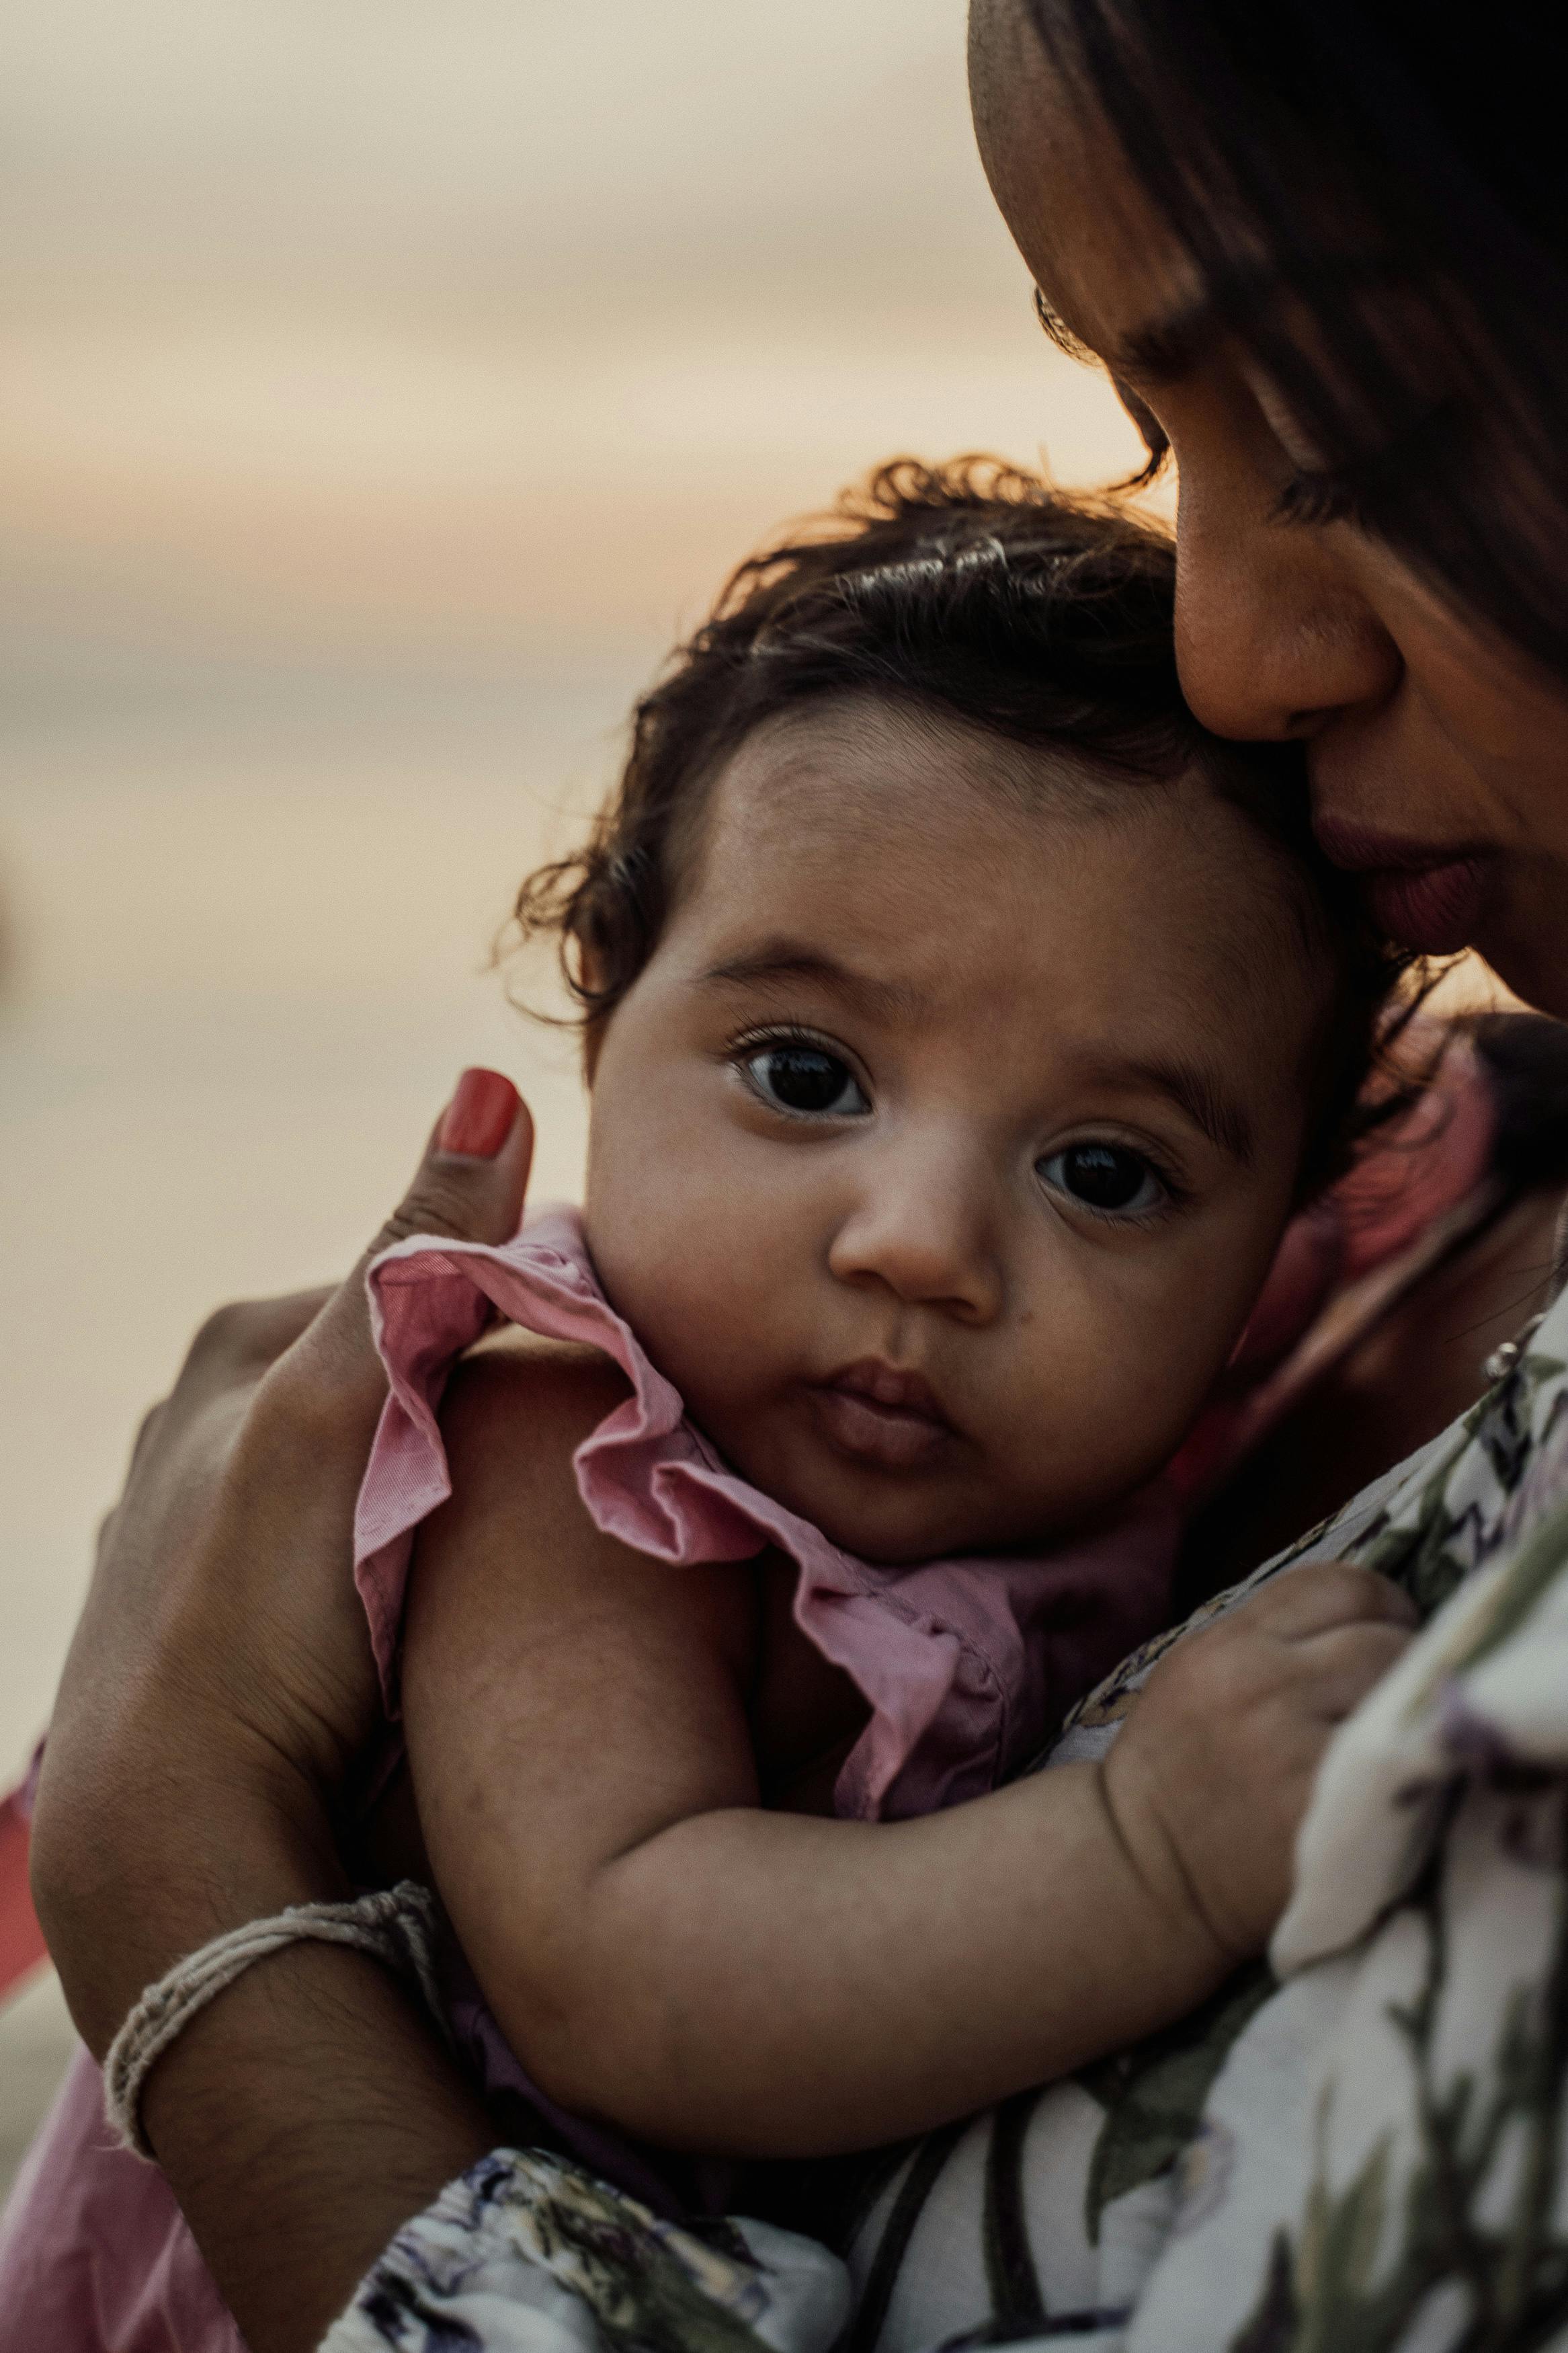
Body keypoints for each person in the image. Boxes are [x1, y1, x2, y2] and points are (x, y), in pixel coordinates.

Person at [19, 0, 1568, 2345]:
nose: (922, 1240)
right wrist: (1139, 1848)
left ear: (1277, 1215)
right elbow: (626, 1958)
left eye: (1108, 1170)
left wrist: (182, 1876)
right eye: (803, 1072)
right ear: (598, 993)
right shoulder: (592, 1444)